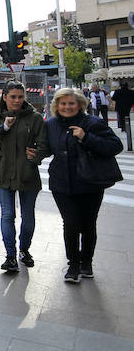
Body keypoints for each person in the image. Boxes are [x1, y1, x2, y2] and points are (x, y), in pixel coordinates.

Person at [40, 87, 123, 283]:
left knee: (87, 224)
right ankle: (73, 265)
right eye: (63, 103)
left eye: (71, 103)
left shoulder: (93, 123)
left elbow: (115, 146)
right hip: (61, 183)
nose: (67, 107)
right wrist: (35, 154)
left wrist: (86, 137)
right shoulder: (50, 124)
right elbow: (47, 148)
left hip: (89, 183)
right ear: (56, 106)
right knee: (70, 223)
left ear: (80, 105)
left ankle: (87, 262)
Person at [0, 81, 47, 272]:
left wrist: (37, 155)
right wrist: (4, 127)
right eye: (13, 97)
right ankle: (10, 256)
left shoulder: (35, 118)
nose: (17, 100)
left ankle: (24, 250)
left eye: (20, 96)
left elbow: (45, 145)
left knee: (28, 217)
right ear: (5, 97)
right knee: (7, 214)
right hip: (4, 173)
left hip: (28, 174)